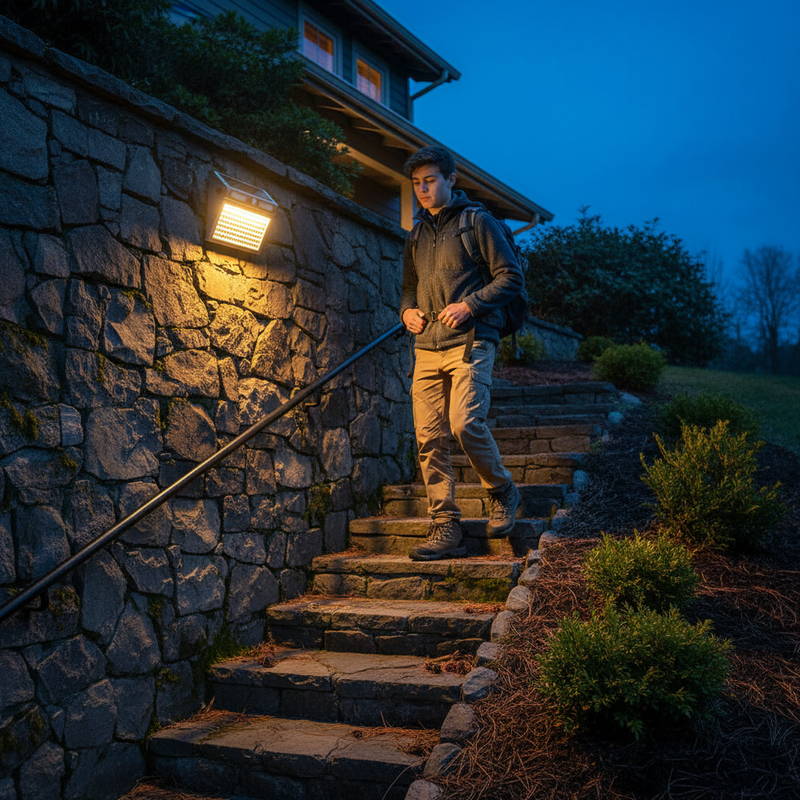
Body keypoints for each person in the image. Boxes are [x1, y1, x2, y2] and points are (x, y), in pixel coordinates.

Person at [400, 145, 522, 561]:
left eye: (430, 181)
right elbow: (407, 287)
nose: (423, 190)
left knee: (464, 422)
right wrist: (407, 312)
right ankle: (444, 525)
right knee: (428, 438)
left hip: (472, 341)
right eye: (416, 184)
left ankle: (502, 491)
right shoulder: (416, 234)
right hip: (427, 346)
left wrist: (470, 305)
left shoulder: (477, 222)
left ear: (451, 179)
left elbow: (511, 279)